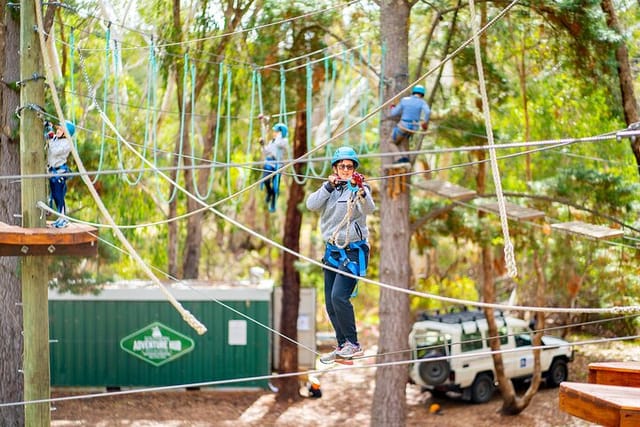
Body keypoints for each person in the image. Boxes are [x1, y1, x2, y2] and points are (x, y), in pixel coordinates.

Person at [306, 146, 375, 363]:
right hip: (332, 251)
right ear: (335, 168)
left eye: (349, 166)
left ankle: (353, 344)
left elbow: (369, 209)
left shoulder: (359, 187)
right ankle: (343, 344)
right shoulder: (329, 189)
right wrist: (328, 186)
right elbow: (311, 205)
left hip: (353, 251)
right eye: (342, 166)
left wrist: (360, 190)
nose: (346, 169)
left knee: (339, 297)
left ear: (354, 169)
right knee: (329, 302)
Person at [389, 84, 431, 165]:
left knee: (391, 142)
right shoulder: (422, 102)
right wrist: (425, 122)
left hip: (403, 126)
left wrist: (392, 107)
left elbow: (394, 113)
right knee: (403, 140)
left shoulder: (405, 100)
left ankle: (399, 159)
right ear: (422, 95)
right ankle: (405, 158)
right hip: (413, 128)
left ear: (413, 92)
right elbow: (428, 112)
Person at [45, 120, 75, 228]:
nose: (58, 131)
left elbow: (54, 151)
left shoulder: (67, 143)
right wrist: (48, 130)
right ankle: (60, 218)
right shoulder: (56, 139)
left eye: (60, 130)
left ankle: (63, 218)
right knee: (54, 194)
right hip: (52, 172)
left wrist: (50, 137)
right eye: (57, 129)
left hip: (59, 173)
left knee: (59, 196)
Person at [260, 122, 289, 212]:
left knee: (276, 186)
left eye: (276, 131)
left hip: (278, 164)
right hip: (270, 162)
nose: (274, 133)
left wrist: (280, 134)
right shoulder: (272, 141)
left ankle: (273, 202)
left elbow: (279, 144)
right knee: (266, 179)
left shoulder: (283, 141)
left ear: (280, 132)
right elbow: (266, 152)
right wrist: (263, 144)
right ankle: (269, 192)